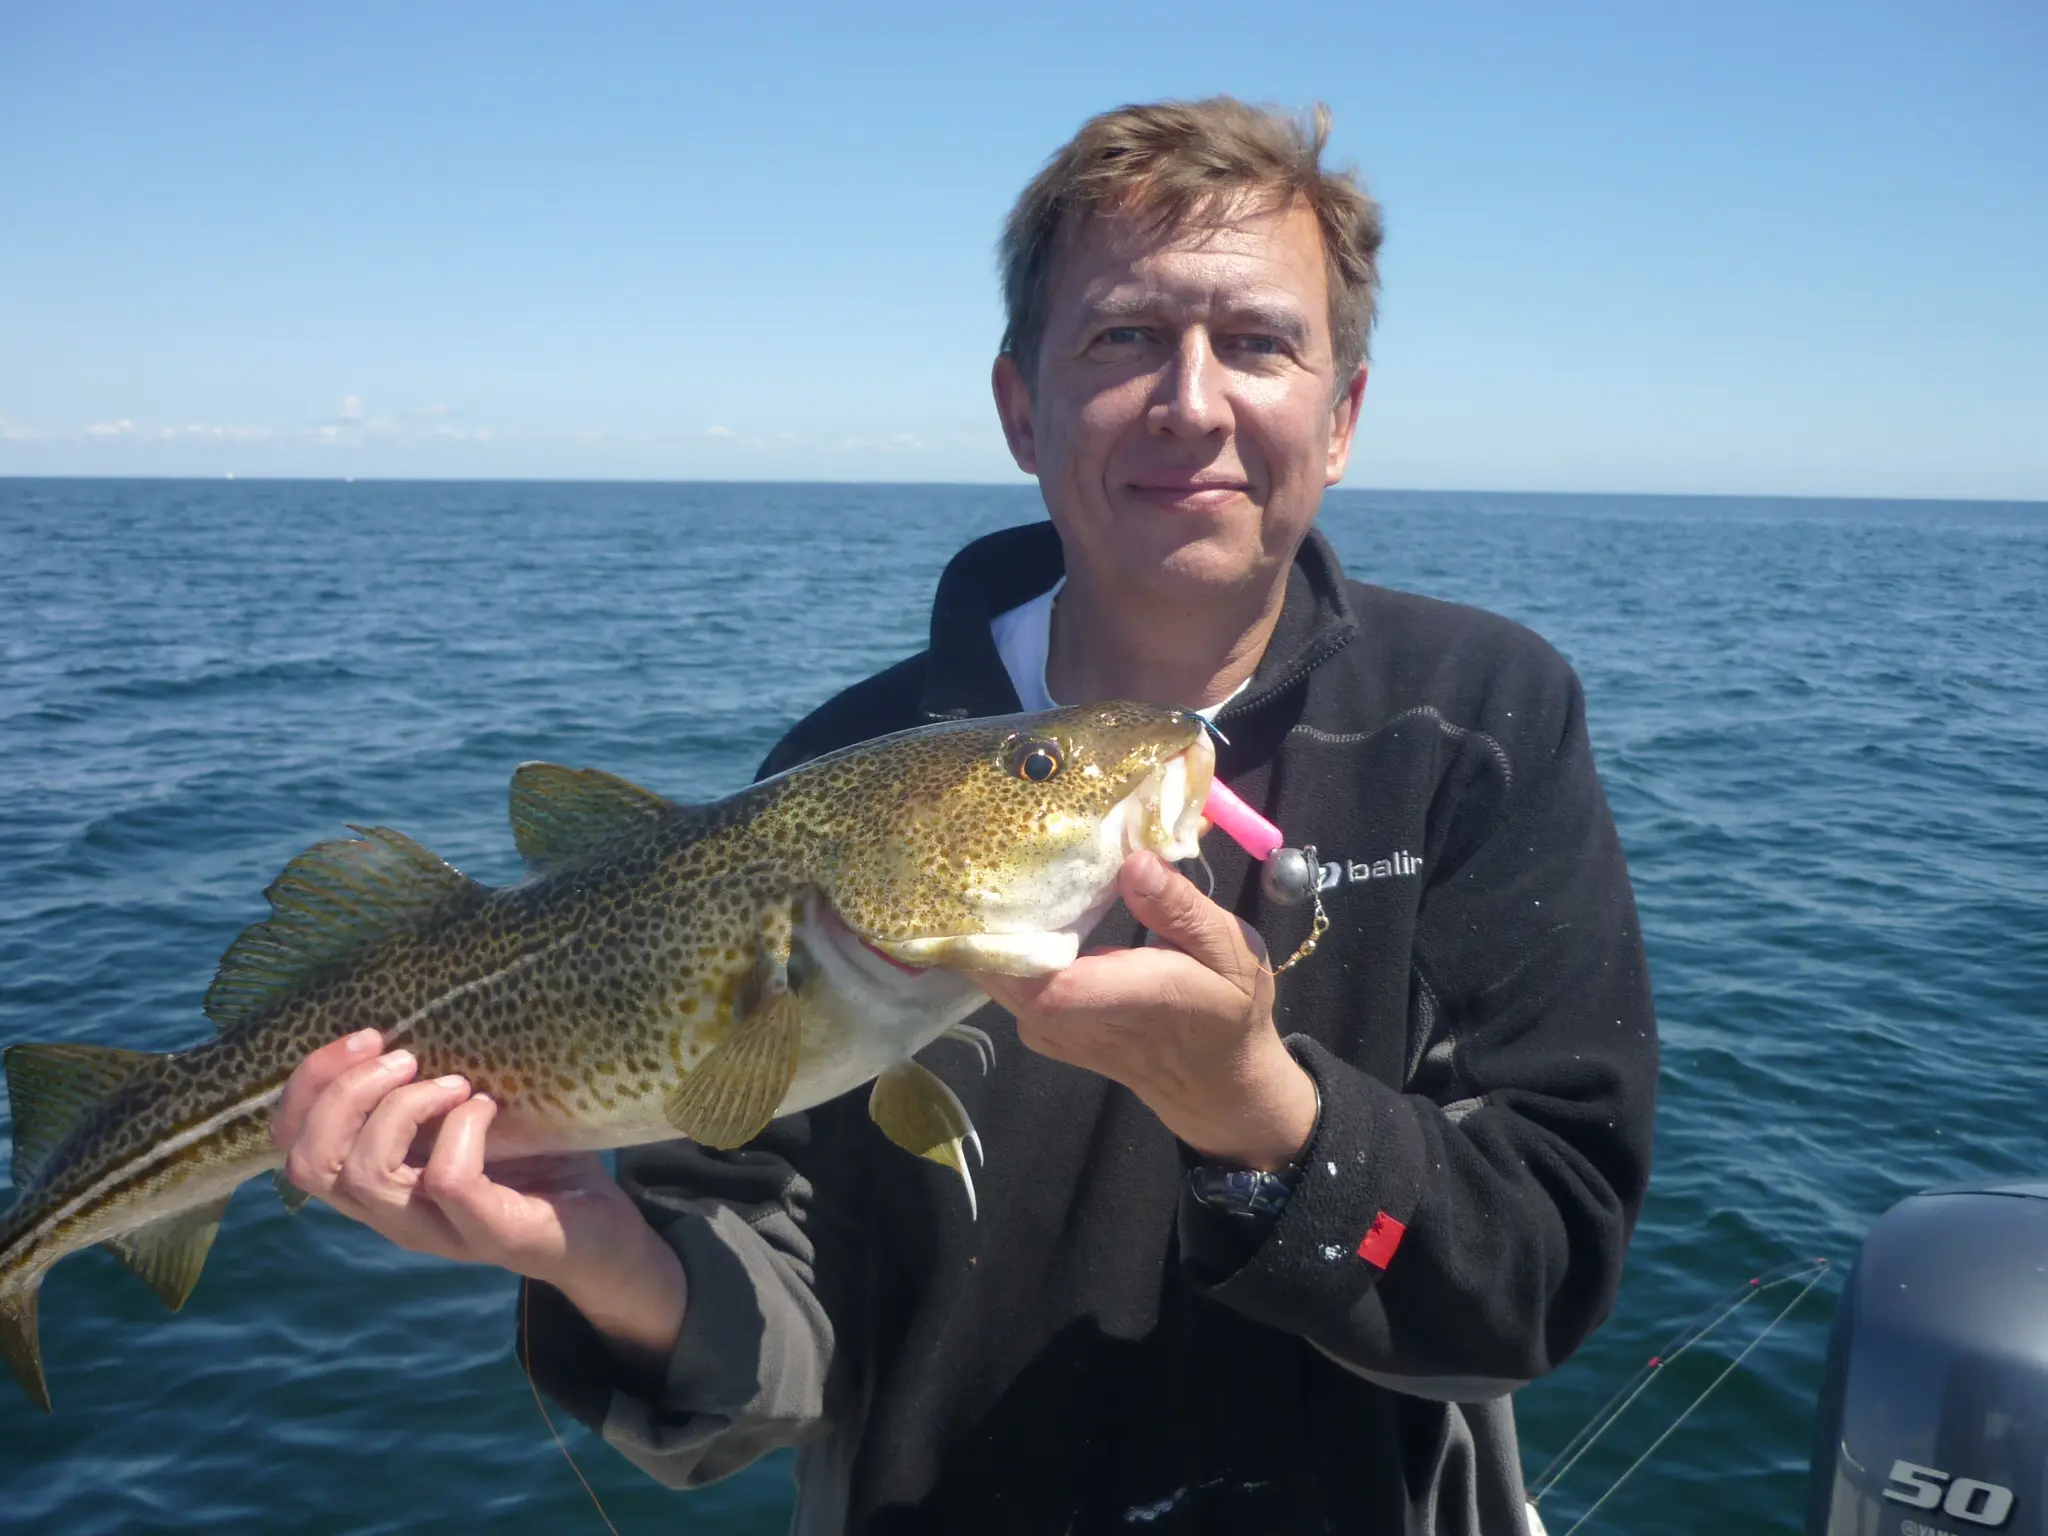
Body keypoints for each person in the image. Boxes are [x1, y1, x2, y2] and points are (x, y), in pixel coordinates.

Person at [273, 97, 1658, 1534]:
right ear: (1019, 409)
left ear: (1344, 414)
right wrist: (596, 1255)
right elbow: (775, 1326)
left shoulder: (1480, 717)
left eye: (1257, 341)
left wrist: (1263, 1122)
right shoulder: (831, 776)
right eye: (1123, 336)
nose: (1191, 401)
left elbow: (1539, 1273)